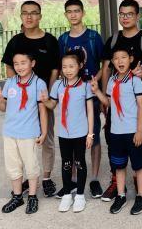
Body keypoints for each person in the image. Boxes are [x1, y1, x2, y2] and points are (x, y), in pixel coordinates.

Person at [100, 0, 142, 201]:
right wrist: (104, 96)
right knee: (113, 137)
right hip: (116, 100)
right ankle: (116, 181)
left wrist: (139, 75)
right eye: (122, 14)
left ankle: (138, 178)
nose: (125, 18)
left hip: (141, 98)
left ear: (137, 16)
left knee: (140, 138)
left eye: (129, 14)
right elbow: (106, 69)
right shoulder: (113, 40)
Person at [1, 0, 60, 197]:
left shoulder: (50, 41)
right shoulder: (15, 42)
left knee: (46, 138)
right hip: (21, 101)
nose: (29, 16)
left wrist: (48, 95)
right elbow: (10, 67)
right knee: (21, 142)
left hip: (42, 97)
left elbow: (55, 70)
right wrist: (17, 93)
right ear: (21, 16)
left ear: (40, 16)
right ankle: (28, 178)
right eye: (25, 13)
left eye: (33, 13)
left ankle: (46, 177)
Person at [91, 45, 142, 215]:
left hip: (133, 131)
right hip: (116, 132)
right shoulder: (112, 81)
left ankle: (141, 197)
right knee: (119, 165)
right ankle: (121, 195)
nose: (119, 61)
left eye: (123, 57)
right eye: (116, 58)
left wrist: (140, 131)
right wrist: (97, 91)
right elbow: (109, 103)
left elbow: (141, 106)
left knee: (139, 165)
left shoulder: (135, 81)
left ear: (130, 59)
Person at [57, 0, 105, 198]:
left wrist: (95, 85)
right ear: (66, 15)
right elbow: (61, 68)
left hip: (91, 94)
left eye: (76, 10)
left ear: (83, 13)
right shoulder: (63, 40)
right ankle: (73, 181)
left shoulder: (93, 37)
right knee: (71, 137)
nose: (73, 14)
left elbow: (105, 64)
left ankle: (93, 179)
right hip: (72, 97)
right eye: (69, 11)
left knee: (93, 137)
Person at [0, 51, 48, 214]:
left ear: (32, 63)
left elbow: (43, 110)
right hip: (10, 132)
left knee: (31, 166)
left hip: (29, 133)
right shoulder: (10, 83)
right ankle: (17, 196)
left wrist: (44, 132)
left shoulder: (39, 83)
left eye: (23, 63)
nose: (19, 67)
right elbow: (3, 108)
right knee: (13, 166)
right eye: (16, 64)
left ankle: (32, 196)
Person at [40, 50, 94, 213]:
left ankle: (80, 195)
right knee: (66, 163)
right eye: (64, 67)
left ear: (80, 66)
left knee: (79, 162)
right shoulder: (58, 85)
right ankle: (67, 195)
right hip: (64, 133)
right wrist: (45, 101)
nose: (68, 70)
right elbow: (52, 105)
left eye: (71, 66)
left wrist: (90, 133)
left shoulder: (85, 86)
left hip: (80, 132)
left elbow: (90, 110)